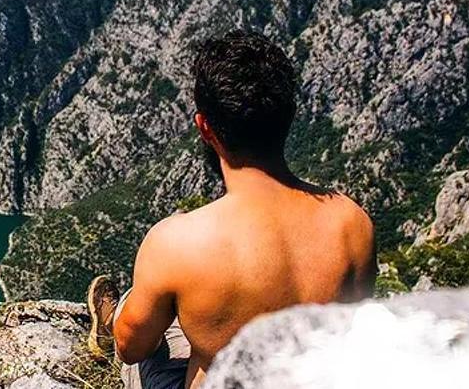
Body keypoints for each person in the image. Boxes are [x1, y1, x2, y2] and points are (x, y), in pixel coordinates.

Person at [86, 30, 377, 389]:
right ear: (290, 115)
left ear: (204, 126)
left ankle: (112, 318)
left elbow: (131, 350)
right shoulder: (352, 224)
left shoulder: (176, 244)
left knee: (142, 312)